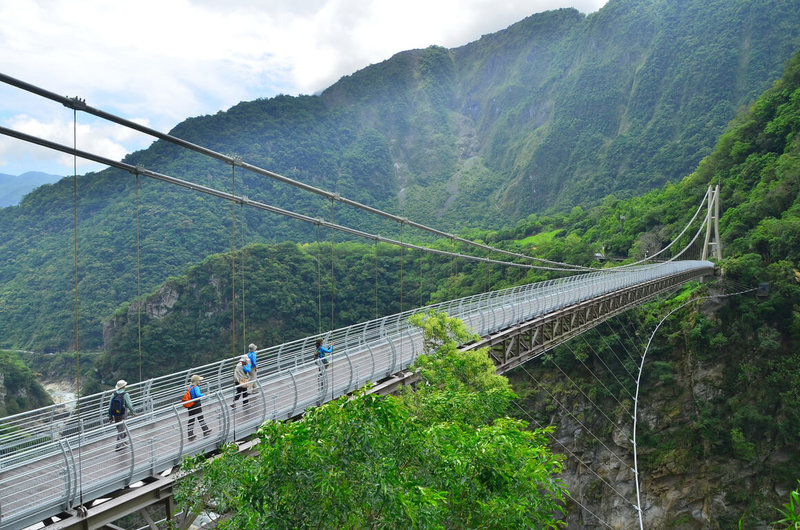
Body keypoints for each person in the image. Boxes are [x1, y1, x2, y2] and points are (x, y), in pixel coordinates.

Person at [108, 379, 137, 451]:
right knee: (121, 428)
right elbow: (129, 405)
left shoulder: (113, 394)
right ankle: (118, 445)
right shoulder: (125, 394)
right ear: (124, 386)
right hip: (123, 413)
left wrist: (110, 416)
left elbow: (110, 406)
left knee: (119, 427)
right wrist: (134, 412)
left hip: (115, 413)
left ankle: (124, 442)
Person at [186, 374, 212, 441]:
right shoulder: (196, 387)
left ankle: (190, 435)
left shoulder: (190, 387)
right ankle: (205, 430)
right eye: (199, 381)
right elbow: (198, 395)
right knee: (200, 418)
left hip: (190, 405)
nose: (200, 382)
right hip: (196, 404)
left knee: (191, 420)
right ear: (196, 381)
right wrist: (205, 395)